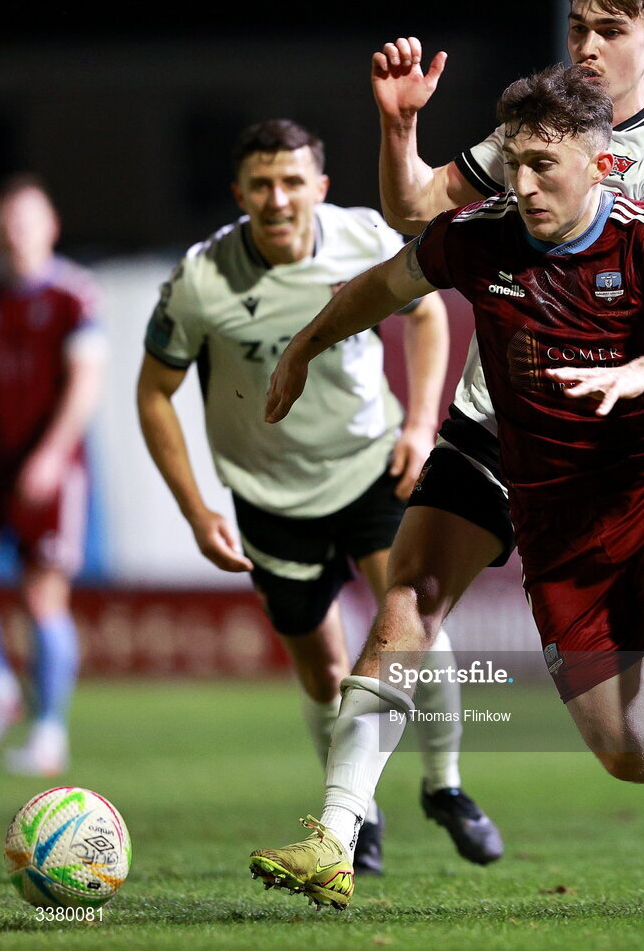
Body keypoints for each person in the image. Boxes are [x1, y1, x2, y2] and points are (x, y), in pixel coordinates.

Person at [253, 65, 644, 921]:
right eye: (517, 163)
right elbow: (381, 287)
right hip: (553, 521)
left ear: (602, 164)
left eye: (546, 165)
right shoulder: (479, 236)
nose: (527, 185)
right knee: (630, 754)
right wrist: (302, 348)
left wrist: (638, 372)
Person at [362, 0, 644, 903]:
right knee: (408, 593)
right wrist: (401, 130)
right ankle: (339, 824)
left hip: (600, 449)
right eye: (576, 25)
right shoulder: (523, 138)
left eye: (608, 29)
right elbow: (415, 210)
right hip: (490, 419)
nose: (585, 45)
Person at [136, 118, 502, 876]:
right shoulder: (202, 279)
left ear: (320, 188)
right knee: (323, 672)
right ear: (240, 194)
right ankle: (356, 817)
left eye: (293, 181)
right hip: (269, 498)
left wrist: (420, 426)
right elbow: (153, 392)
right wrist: (193, 506)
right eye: (262, 185)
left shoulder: (362, 238)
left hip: (370, 467)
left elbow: (428, 310)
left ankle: (446, 786)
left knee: (417, 635)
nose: (278, 199)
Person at [0, 173, 106, 776]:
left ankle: (49, 731)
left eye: (27, 221)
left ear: (50, 227)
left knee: (41, 596)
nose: (16, 233)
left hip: (53, 469)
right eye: (6, 222)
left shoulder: (73, 295)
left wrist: (52, 455)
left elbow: (86, 381)